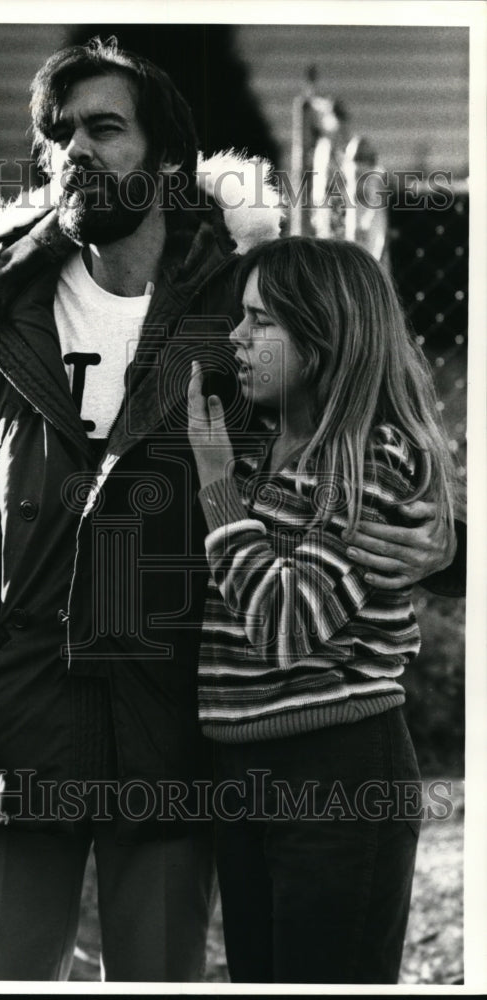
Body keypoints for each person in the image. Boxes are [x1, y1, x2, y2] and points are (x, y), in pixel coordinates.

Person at [0, 38, 459, 982]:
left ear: (164, 157)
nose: (74, 150)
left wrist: (428, 536)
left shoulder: (240, 302)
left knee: (161, 973)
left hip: (172, 716)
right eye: (58, 134)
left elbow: (339, 432)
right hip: (19, 710)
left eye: (103, 128)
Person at [187, 236, 463, 984]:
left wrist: (216, 493)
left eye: (259, 322)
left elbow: (283, 626)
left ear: (322, 337)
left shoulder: (368, 458)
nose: (236, 338)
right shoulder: (262, 456)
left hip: (337, 774)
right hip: (244, 771)